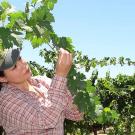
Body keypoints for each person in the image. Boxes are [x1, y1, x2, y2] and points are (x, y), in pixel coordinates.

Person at [0, 47, 83, 135]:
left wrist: (69, 85)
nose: (23, 65)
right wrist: (61, 75)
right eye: (14, 67)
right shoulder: (4, 100)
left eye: (19, 58)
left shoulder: (43, 82)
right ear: (2, 78)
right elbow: (46, 121)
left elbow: (76, 115)